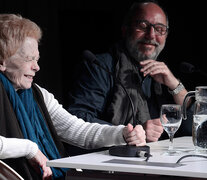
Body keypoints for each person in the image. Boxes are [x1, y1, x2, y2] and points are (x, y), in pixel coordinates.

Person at [0, 14, 146, 180]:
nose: (37, 67)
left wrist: (121, 134)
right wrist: (29, 148)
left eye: (37, 59)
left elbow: (76, 130)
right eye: (29, 59)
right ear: (3, 60)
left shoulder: (36, 93)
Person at [68, 0, 191, 146]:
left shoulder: (164, 73)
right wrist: (128, 133)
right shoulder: (100, 66)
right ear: (125, 30)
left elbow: (192, 126)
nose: (151, 35)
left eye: (159, 29)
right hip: (109, 161)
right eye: (142, 26)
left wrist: (174, 84)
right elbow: (78, 119)